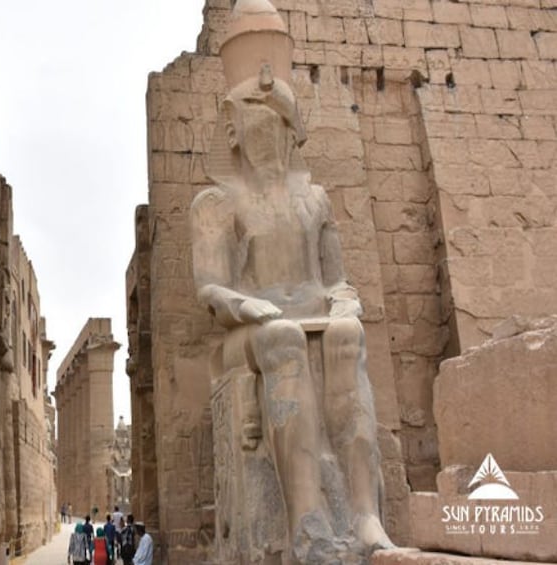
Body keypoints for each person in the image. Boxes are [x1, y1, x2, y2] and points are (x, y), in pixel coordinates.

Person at [188, 0, 394, 560]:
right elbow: (210, 289)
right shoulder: (217, 204)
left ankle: (364, 514)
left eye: (278, 128)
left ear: (291, 132)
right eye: (257, 128)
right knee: (282, 339)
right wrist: (245, 306)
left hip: (309, 312)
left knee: (348, 337)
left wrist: (345, 304)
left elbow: (338, 280)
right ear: (233, 134)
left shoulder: (314, 200)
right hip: (249, 329)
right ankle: (307, 516)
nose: (269, 142)